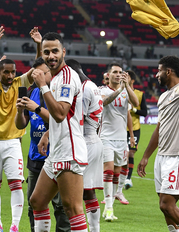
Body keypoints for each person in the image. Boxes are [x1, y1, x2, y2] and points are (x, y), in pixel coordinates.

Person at [137, 26, 179, 232]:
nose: (156, 74)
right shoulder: (163, 96)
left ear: (169, 71)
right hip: (162, 157)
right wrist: (146, 156)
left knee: (167, 205)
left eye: (159, 70)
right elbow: (159, 128)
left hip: (178, 156)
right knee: (164, 208)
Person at [29, 32, 88, 232]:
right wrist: (47, 135)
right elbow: (63, 118)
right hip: (57, 149)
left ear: (63, 51)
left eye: (55, 51)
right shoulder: (54, 78)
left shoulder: (66, 77)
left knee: (73, 208)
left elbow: (61, 113)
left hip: (69, 151)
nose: (51, 55)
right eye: (47, 52)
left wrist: (42, 86)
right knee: (37, 201)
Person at [15, 57, 71, 232]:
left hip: (57, 157)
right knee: (34, 205)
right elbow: (20, 124)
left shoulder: (59, 93)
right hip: (35, 158)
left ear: (50, 73)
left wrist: (37, 108)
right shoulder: (31, 91)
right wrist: (20, 111)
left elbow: (60, 120)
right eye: (34, 73)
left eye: (41, 73)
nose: (37, 76)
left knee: (62, 207)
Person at [0, 25, 35, 232]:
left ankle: (14, 226)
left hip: (13, 142)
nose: (10, 75)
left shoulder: (20, 82)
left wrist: (38, 44)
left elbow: (38, 68)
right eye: (6, 72)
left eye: (12, 72)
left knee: (17, 183)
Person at [66, 59, 103, 232]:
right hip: (94, 140)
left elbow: (77, 120)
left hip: (86, 142)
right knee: (88, 191)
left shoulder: (84, 89)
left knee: (78, 191)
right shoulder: (92, 85)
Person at [99, 62, 139, 220]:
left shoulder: (126, 91)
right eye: (115, 72)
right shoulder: (101, 90)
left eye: (120, 72)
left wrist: (127, 86)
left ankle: (109, 206)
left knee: (116, 174)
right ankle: (109, 208)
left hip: (121, 139)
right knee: (108, 171)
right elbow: (104, 102)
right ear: (108, 75)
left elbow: (135, 104)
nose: (118, 74)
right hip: (106, 137)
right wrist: (121, 90)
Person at [121, 70, 148, 190]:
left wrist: (134, 110)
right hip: (121, 128)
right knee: (122, 155)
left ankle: (128, 178)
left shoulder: (140, 94)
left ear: (132, 80)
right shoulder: (120, 92)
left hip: (135, 128)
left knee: (130, 153)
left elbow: (145, 112)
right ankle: (119, 178)